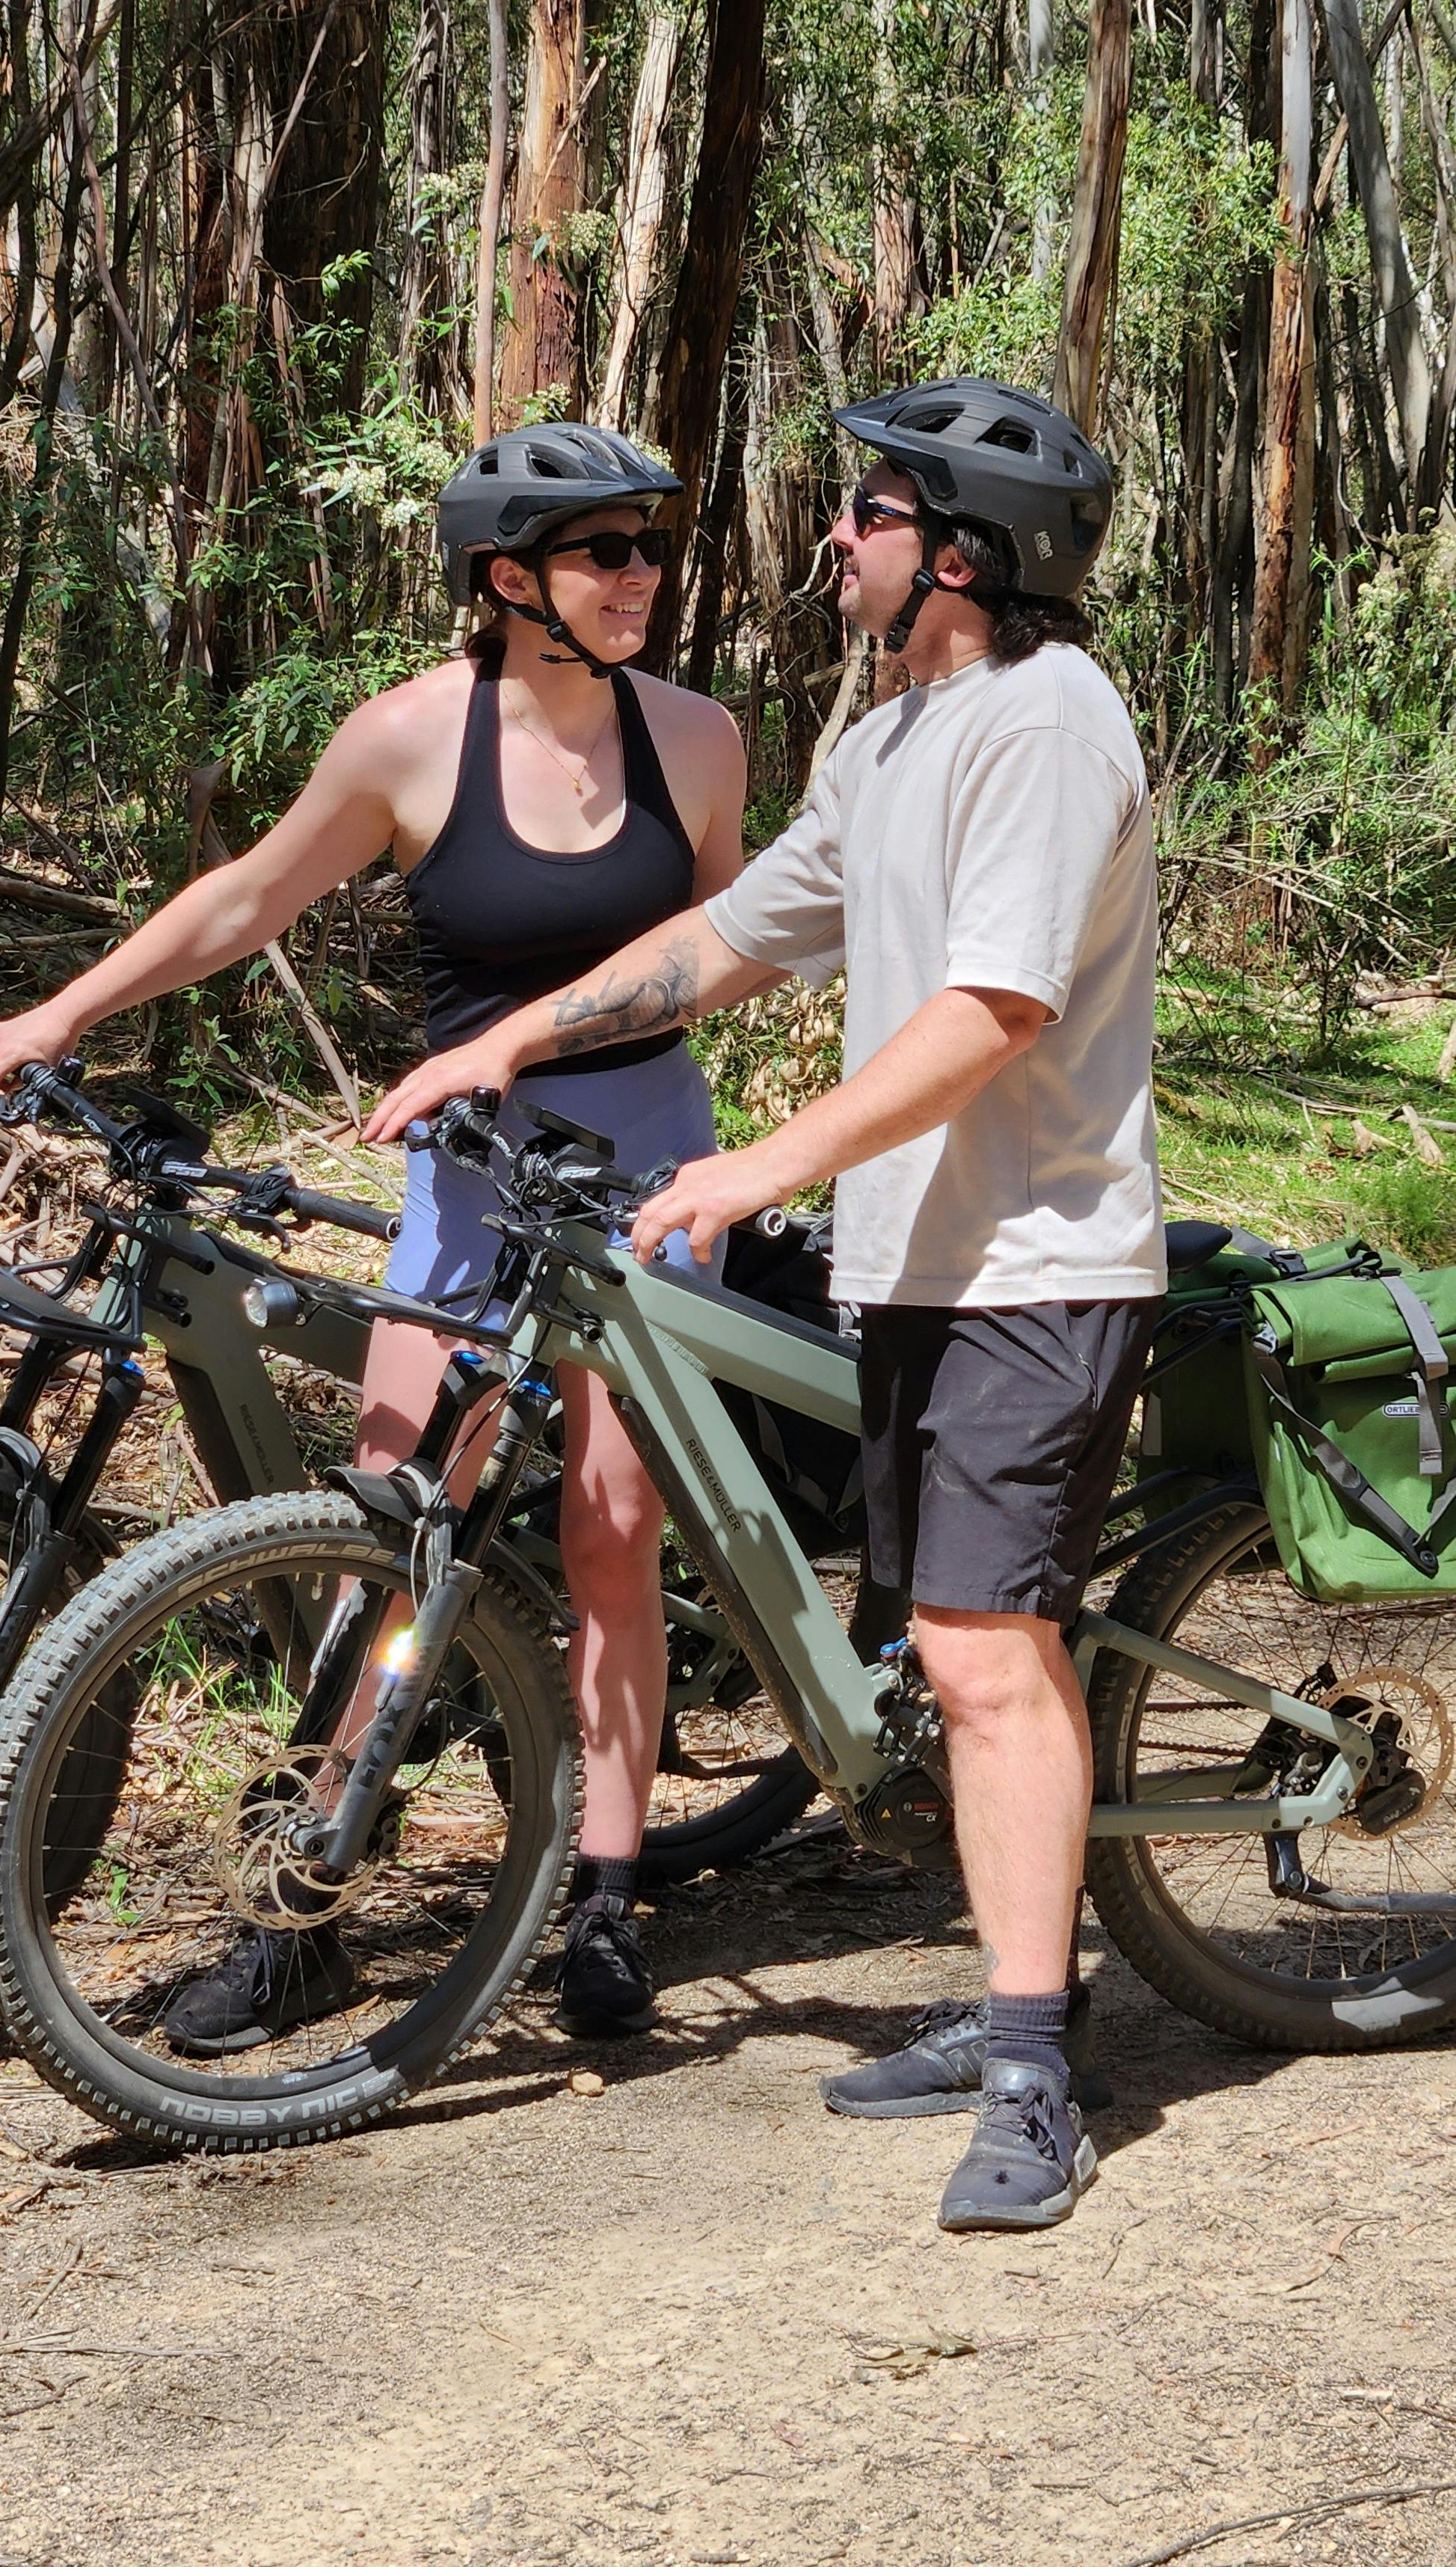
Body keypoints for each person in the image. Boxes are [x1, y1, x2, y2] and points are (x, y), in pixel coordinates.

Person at [369, 376, 1164, 2232]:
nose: (833, 541)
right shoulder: (888, 736)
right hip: (917, 1258)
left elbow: (993, 1013)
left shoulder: (1043, 725)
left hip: (1032, 1255)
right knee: (961, 1648)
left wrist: (755, 1164)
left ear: (958, 552)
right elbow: (725, 937)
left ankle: (1037, 2068)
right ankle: (1010, 1998)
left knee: (981, 1654)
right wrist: (512, 1036)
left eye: (868, 515)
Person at [0, 420, 748, 2050]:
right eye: (609, 552)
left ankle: (604, 1894)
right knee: (393, 1510)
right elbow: (245, 899)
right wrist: (65, 1006)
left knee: (612, 1530)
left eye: (650, 549)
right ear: (510, 578)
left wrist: (553, 1040)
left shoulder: (698, 738)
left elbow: (729, 945)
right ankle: (303, 1902)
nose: (643, 578)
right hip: (469, 1172)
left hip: (650, 1159)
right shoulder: (407, 743)